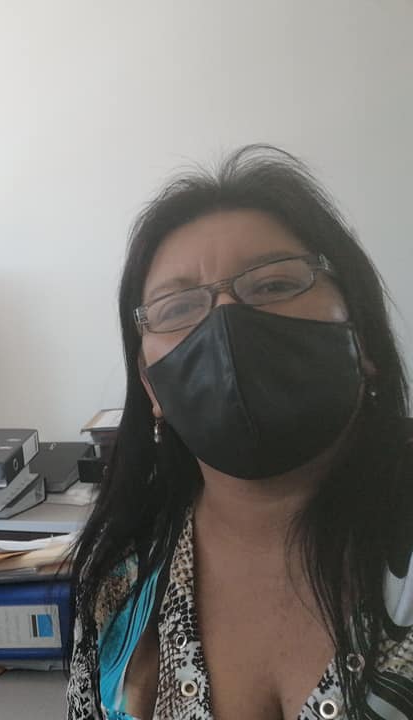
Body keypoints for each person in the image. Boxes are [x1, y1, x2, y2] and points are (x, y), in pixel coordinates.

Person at [67, 145, 412, 720]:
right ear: (151, 387)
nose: (225, 321)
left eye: (273, 285)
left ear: (363, 337)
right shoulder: (120, 579)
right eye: (178, 307)